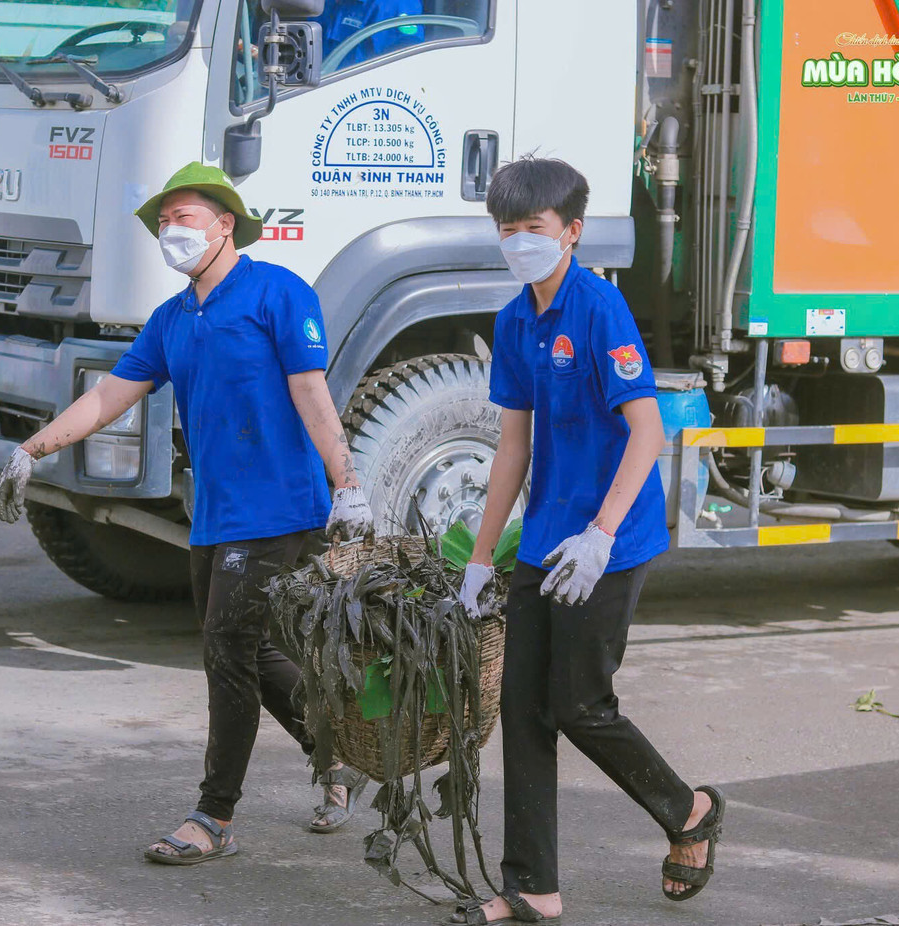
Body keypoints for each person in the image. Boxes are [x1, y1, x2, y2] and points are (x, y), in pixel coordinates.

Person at [0, 161, 377, 864]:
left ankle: (215, 816)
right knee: (250, 651)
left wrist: (347, 483)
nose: (172, 231)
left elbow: (311, 393)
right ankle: (337, 755)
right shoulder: (172, 320)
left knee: (226, 652)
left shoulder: (278, 295)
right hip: (216, 515)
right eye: (164, 222)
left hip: (279, 509)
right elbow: (111, 395)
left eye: (185, 218)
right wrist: (32, 449)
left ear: (225, 224)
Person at [451, 157, 727, 922]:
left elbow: (646, 429)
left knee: (579, 704)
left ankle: (689, 809)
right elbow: (512, 447)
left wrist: (602, 535)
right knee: (524, 710)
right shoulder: (513, 320)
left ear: (571, 232)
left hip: (612, 539)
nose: (518, 244)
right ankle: (531, 886)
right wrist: (480, 556)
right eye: (506, 231)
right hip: (544, 541)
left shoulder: (600, 310)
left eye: (532, 230)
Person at [316, 0, 425, 70]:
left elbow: (406, 63)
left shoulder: (396, 4)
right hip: (321, 89)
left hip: (361, 98)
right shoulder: (323, 3)